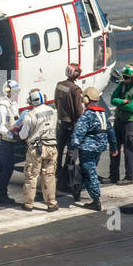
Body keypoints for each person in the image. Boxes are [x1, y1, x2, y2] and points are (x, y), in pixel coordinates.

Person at [69, 86, 118, 212]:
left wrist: (72, 148)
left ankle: (96, 200)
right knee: (87, 170)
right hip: (99, 148)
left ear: (86, 99)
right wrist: (113, 147)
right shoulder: (103, 114)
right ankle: (78, 190)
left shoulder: (87, 116)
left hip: (87, 149)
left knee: (90, 173)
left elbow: (78, 133)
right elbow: (111, 132)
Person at [17, 89, 59, 211]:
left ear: (31, 101)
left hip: (36, 149)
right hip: (51, 147)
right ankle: (51, 203)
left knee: (31, 176)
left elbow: (23, 135)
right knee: (49, 176)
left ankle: (28, 204)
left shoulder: (30, 115)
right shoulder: (53, 111)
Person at [108, 64, 133, 185]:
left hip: (130, 122)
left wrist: (121, 103)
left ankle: (130, 177)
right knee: (115, 148)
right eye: (124, 76)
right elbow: (113, 99)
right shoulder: (122, 85)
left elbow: (132, 107)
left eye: (127, 77)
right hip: (119, 120)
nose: (124, 79)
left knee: (129, 150)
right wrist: (122, 101)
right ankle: (113, 176)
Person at [0, 80, 22, 203]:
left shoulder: (12, 104)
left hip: (8, 140)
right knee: (8, 167)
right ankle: (1, 194)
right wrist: (11, 135)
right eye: (15, 92)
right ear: (8, 92)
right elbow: (0, 126)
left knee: (2, 167)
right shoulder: (3, 106)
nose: (16, 94)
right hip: (4, 141)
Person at [54, 64, 83, 192]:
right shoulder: (75, 89)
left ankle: (56, 169)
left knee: (59, 148)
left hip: (61, 121)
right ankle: (66, 173)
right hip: (71, 123)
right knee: (72, 150)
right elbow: (78, 109)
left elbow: (56, 101)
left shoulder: (59, 85)